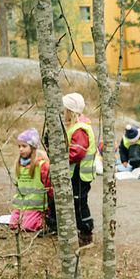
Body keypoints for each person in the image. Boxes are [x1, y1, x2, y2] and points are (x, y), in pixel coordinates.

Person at [63, 92, 96, 246]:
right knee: (76, 202)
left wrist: (61, 158)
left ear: (70, 111)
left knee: (79, 202)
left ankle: (86, 231)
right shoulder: (75, 126)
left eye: (65, 110)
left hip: (81, 174)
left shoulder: (79, 129)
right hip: (76, 173)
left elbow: (78, 153)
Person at [9, 128, 53, 232]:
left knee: (27, 227)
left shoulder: (41, 165)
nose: (20, 149)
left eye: (24, 146)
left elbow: (49, 186)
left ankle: (44, 220)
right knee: (13, 225)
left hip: (36, 206)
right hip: (21, 205)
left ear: (32, 147)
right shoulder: (18, 165)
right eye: (19, 146)